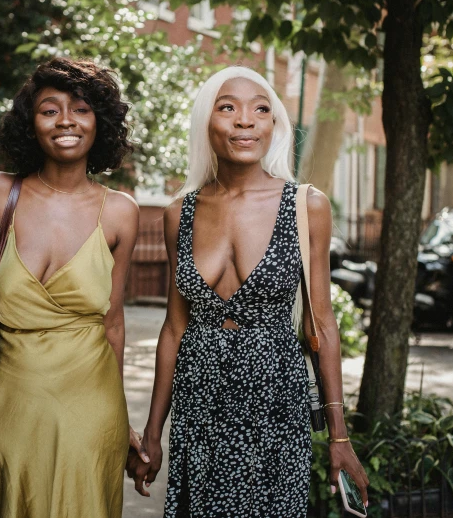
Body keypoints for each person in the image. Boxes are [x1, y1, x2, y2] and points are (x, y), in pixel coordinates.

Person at [127, 66, 370, 516]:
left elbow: (324, 324)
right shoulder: (178, 213)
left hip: (275, 404)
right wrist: (153, 434)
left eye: (261, 109)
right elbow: (174, 330)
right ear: (207, 122)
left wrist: (339, 436)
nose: (245, 120)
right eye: (228, 108)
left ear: (274, 125)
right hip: (199, 407)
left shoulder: (306, 206)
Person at [0, 58, 147, 518]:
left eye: (80, 109)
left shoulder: (121, 211)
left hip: (93, 403)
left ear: (100, 121)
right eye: (49, 109)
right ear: (30, 123)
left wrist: (122, 423)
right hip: (11, 401)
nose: (65, 121)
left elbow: (113, 324)